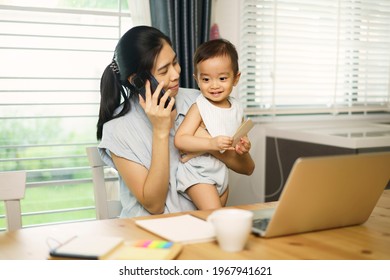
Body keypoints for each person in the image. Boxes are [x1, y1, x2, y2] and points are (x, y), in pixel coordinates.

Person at [97, 25, 254, 217]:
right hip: (149, 234)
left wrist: (206, 145)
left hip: (199, 226)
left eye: (175, 61)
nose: (176, 73)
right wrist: (161, 132)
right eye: (164, 71)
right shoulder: (118, 130)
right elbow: (154, 205)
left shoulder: (200, 100)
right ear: (137, 80)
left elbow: (246, 167)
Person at [174, 39, 248, 210]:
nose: (214, 85)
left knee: (212, 223)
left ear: (236, 78)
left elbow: (239, 139)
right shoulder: (199, 107)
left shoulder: (237, 107)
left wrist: (244, 146)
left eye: (222, 78)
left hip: (221, 173)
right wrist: (211, 143)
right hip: (199, 173)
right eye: (206, 79)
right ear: (197, 79)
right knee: (217, 218)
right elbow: (180, 139)